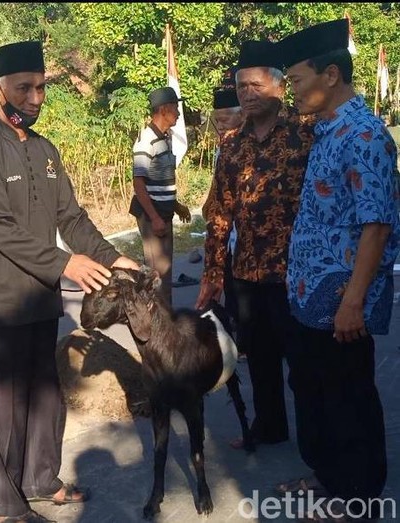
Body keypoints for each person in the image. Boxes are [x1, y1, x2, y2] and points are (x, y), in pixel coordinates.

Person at [0, 40, 139, 523]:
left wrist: (112, 257)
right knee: (2, 408)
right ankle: (4, 505)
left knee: (43, 394)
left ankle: (39, 478)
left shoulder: (45, 151)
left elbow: (72, 218)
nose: (35, 98)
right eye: (23, 88)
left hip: (38, 296)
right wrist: (66, 265)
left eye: (40, 88)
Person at [277, 19, 400, 521]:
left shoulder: (365, 134)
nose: (292, 92)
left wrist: (353, 301)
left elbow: (377, 226)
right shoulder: (327, 131)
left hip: (342, 303)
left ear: (331, 75)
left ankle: (358, 495)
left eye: (297, 81)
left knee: (349, 399)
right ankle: (326, 476)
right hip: (310, 298)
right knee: (313, 392)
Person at [195, 40, 315, 450]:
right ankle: (269, 427)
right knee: (260, 359)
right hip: (246, 272)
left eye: (256, 85)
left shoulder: (305, 133)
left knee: (304, 363)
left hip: (295, 272)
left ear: (280, 88)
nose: (247, 93)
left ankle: (318, 444)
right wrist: (212, 274)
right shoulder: (231, 145)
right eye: (242, 86)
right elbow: (219, 215)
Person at [129, 86, 192, 306]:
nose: (178, 112)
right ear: (163, 110)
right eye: (175, 107)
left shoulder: (165, 138)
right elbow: (139, 184)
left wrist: (176, 205)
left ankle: (167, 321)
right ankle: (158, 324)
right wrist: (154, 217)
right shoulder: (146, 141)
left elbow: (161, 182)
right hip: (151, 214)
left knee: (166, 271)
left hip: (163, 211)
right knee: (158, 273)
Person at [201, 69, 244, 341]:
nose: (221, 125)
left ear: (242, 115)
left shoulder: (248, 144)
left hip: (248, 237)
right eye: (217, 121)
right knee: (230, 288)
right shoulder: (223, 146)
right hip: (226, 236)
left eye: (226, 118)